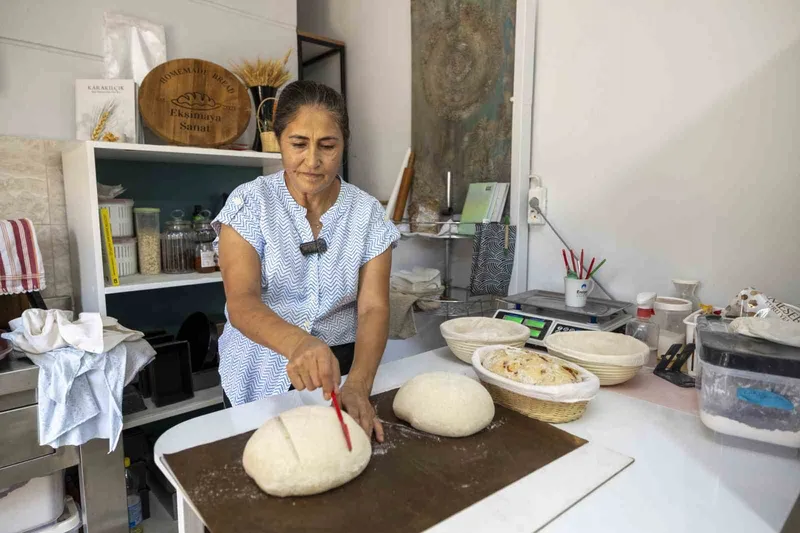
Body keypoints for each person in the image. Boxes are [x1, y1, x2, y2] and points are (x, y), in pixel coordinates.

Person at [212, 80, 399, 442]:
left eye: (327, 146)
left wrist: (359, 383)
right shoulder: (250, 204)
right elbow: (242, 301)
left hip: (342, 367)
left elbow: (373, 307)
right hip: (259, 364)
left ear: (343, 144)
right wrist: (298, 344)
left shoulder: (367, 214)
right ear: (279, 140)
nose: (312, 161)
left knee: (337, 456)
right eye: (298, 144)